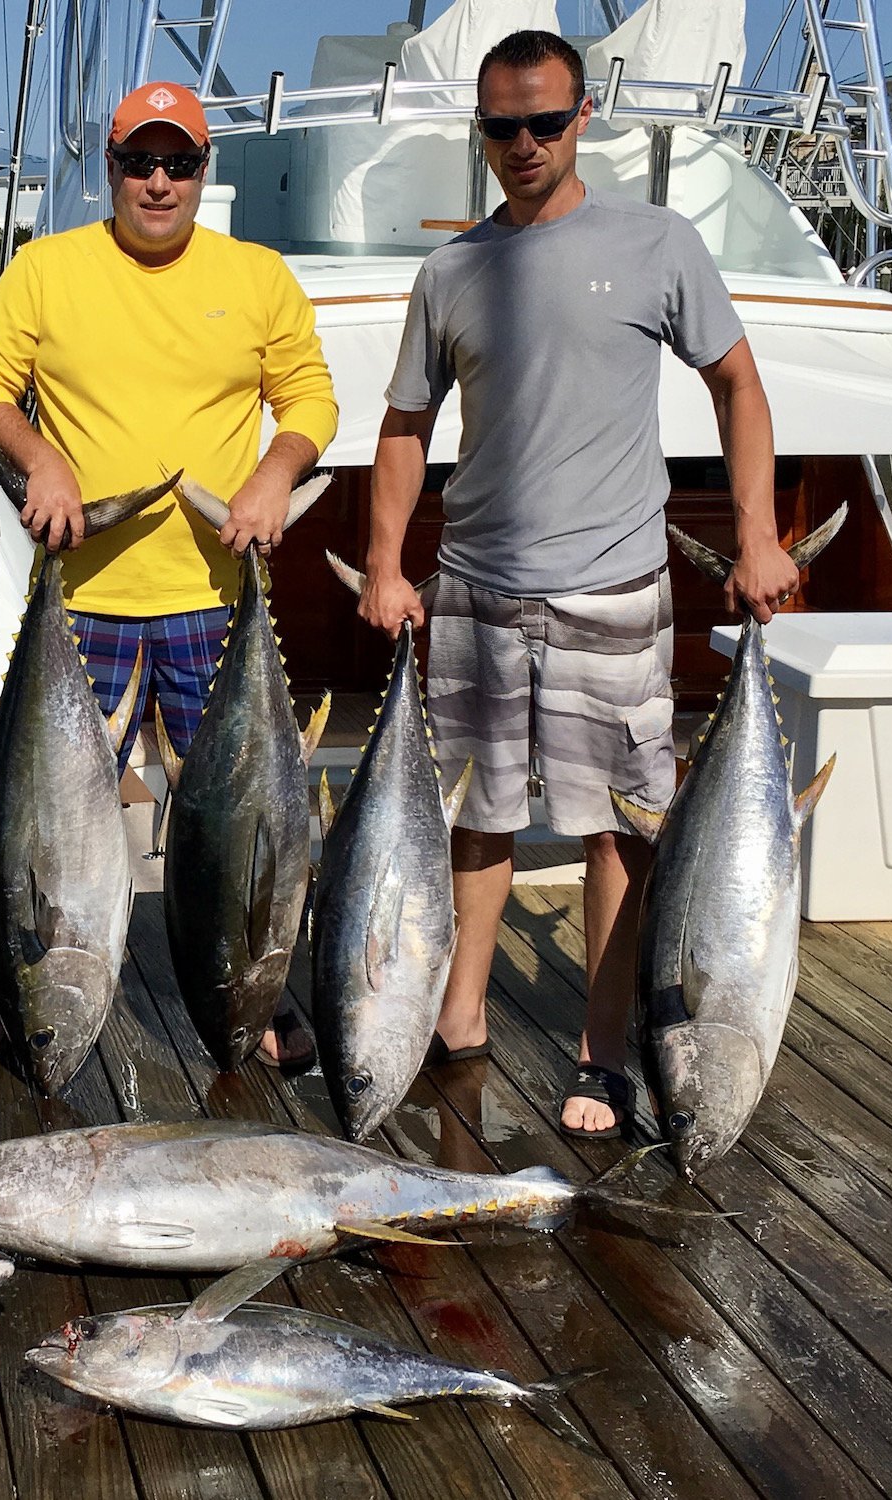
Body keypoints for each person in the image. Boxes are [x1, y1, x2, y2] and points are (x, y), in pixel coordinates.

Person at [356, 30, 796, 1137]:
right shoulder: (450, 271)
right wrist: (385, 562)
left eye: (544, 122)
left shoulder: (656, 241)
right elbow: (405, 424)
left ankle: (602, 1052)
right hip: (474, 588)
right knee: (477, 817)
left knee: (617, 828)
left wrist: (755, 535)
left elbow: (738, 386)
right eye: (501, 126)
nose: (524, 144)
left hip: (612, 590)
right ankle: (458, 1015)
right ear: (480, 130)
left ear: (582, 116)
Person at [0, 80, 339, 1065]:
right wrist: (38, 458)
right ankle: (9, 980)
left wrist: (273, 476)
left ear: (203, 170)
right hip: (83, 599)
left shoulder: (257, 275)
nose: (158, 182)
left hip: (214, 595)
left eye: (179, 163)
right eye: (138, 161)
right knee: (34, 811)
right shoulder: (48, 268)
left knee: (245, 818)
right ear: (111, 168)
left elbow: (309, 398)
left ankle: (259, 985)